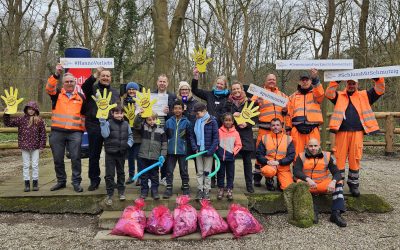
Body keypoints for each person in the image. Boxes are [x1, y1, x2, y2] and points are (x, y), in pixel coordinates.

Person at [325, 78, 385, 197]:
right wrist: (336, 81)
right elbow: (328, 93)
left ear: (357, 84)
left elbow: (380, 89)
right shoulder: (339, 95)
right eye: (349, 83)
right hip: (341, 132)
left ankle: (353, 183)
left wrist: (378, 78)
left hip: (357, 132)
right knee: (340, 157)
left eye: (353, 83)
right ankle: (339, 182)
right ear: (346, 84)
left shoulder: (365, 95)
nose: (351, 85)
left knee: (355, 157)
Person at [46, 64, 86, 192]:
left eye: (71, 81)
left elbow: (84, 115)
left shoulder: (81, 97)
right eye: (67, 81)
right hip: (57, 132)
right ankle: (61, 181)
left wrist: (83, 129)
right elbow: (49, 87)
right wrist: (56, 74)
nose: (69, 83)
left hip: (75, 133)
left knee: (76, 158)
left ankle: (76, 182)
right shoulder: (56, 94)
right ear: (63, 83)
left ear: (75, 83)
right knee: (58, 159)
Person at [293, 138, 347, 227]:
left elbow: (337, 173)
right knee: (299, 185)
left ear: (319, 146)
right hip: (308, 185)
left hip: (322, 183)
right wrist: (307, 179)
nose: (313, 148)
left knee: (339, 182)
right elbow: (296, 171)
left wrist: (333, 182)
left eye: (315, 146)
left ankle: (336, 214)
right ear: (306, 146)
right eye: (310, 146)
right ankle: (313, 211)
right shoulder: (301, 156)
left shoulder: (327, 156)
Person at [82, 67, 119, 191]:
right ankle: (94, 179)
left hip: (110, 125)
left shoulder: (115, 92)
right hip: (94, 125)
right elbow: (84, 86)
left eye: (107, 76)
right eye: (103, 75)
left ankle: (110, 179)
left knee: (111, 155)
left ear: (110, 78)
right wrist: (95, 75)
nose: (105, 78)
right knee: (94, 154)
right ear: (99, 76)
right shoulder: (92, 89)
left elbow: (117, 109)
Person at [251, 74, 289, 190]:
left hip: (279, 131)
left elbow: (288, 111)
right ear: (265, 81)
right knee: (260, 153)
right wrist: (257, 102)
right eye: (269, 79)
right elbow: (250, 106)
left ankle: (276, 176)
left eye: (273, 79)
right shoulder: (259, 93)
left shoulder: (282, 95)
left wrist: (285, 110)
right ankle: (257, 176)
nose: (272, 81)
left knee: (278, 153)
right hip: (264, 129)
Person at [192, 68, 229, 187]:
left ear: (225, 86)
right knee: (209, 153)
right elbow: (195, 90)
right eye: (218, 83)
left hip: (222, 130)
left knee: (219, 154)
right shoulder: (209, 94)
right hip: (208, 128)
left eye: (221, 84)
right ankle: (211, 179)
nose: (219, 85)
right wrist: (195, 77)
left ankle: (220, 180)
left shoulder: (227, 97)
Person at [3, 101, 46, 192]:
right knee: (26, 165)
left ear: (36, 110)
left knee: (35, 165)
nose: (31, 111)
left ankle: (35, 183)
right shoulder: (21, 119)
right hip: (24, 145)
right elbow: (8, 123)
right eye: (29, 109)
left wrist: (42, 145)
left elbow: (43, 134)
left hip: (36, 146)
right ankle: (26, 184)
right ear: (26, 110)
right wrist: (6, 114)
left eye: (32, 109)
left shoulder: (39, 120)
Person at [223, 81, 256, 193]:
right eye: (234, 89)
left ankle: (249, 185)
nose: (236, 91)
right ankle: (229, 185)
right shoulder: (228, 103)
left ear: (242, 89)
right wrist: (232, 117)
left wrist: (247, 124)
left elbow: (255, 117)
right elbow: (224, 116)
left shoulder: (250, 102)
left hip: (246, 135)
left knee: (247, 161)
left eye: (238, 88)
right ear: (231, 91)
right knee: (229, 161)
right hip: (231, 135)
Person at [100, 105, 133, 206]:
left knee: (121, 173)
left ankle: (121, 191)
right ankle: (110, 194)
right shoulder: (108, 123)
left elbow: (130, 135)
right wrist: (102, 123)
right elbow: (105, 135)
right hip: (110, 153)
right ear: (112, 114)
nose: (119, 115)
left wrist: (129, 144)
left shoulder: (126, 124)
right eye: (117, 113)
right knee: (110, 174)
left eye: (121, 113)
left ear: (123, 114)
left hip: (121, 152)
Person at [287, 69, 324, 157]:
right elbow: (289, 114)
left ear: (310, 81)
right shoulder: (292, 97)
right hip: (296, 130)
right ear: (299, 82)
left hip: (313, 129)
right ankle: (297, 170)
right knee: (296, 154)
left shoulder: (315, 94)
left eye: (307, 79)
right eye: (302, 80)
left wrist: (316, 79)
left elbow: (321, 94)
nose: (305, 81)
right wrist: (288, 129)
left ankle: (312, 170)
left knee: (314, 153)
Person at [134, 110, 167, 200]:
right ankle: (144, 191)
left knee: (154, 175)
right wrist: (139, 115)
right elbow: (136, 124)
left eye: (153, 119)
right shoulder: (143, 128)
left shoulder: (161, 131)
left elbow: (164, 144)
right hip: (143, 156)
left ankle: (154, 190)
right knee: (144, 175)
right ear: (146, 120)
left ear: (156, 119)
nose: (151, 121)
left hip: (155, 157)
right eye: (149, 120)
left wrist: (163, 156)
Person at [163, 100, 192, 198]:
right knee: (169, 170)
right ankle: (169, 188)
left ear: (183, 110)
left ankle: (185, 186)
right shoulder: (168, 122)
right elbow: (165, 136)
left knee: (184, 170)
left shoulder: (187, 122)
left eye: (179, 108)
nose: (177, 110)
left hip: (182, 151)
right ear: (172, 110)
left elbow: (189, 136)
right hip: (170, 151)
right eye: (175, 108)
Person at [190, 102, 219, 201]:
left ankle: (206, 190)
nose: (196, 116)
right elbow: (192, 136)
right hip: (198, 151)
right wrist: (195, 148)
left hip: (208, 152)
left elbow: (216, 138)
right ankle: (200, 190)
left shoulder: (213, 121)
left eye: (198, 113)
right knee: (199, 172)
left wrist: (210, 151)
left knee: (207, 172)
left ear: (204, 111)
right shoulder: (196, 121)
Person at [256, 118, 295, 190]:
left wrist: (278, 162)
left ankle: (280, 181)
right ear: (270, 127)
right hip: (269, 165)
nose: (275, 127)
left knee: (288, 188)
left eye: (277, 125)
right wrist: (267, 162)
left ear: (281, 126)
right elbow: (259, 154)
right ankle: (269, 180)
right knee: (268, 171)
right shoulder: (265, 138)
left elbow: (291, 156)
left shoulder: (288, 139)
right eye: (273, 125)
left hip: (283, 167)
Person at [152, 74, 176, 185]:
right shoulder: (151, 95)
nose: (162, 83)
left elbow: (176, 113)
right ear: (157, 82)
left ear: (167, 83)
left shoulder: (172, 96)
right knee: (153, 153)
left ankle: (164, 177)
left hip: (166, 129)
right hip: (153, 128)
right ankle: (153, 177)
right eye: (160, 81)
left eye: (164, 81)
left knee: (165, 153)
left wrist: (169, 112)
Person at [216, 113, 242, 200]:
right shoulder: (219, 131)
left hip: (230, 158)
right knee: (220, 174)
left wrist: (233, 152)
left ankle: (229, 189)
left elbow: (239, 145)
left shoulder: (236, 133)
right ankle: (221, 189)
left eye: (229, 120)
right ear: (223, 121)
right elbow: (216, 143)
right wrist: (217, 151)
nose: (228, 122)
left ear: (233, 121)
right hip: (220, 158)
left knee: (230, 174)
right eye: (226, 120)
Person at [121, 82, 142, 185]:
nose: (131, 91)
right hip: (128, 133)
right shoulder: (123, 101)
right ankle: (131, 176)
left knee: (139, 156)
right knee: (130, 156)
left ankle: (140, 177)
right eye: (130, 89)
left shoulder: (141, 101)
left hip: (139, 132)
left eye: (134, 89)